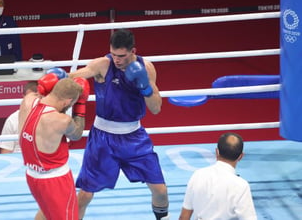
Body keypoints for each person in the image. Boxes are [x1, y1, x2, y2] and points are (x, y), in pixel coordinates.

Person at [69, 29, 170, 220]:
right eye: (113, 54)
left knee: (160, 190)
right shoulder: (103, 64)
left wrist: (145, 88)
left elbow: (156, 108)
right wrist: (57, 79)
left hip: (134, 136)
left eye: (121, 56)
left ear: (133, 51)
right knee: (84, 195)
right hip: (102, 138)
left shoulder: (146, 68)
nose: (116, 59)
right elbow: (75, 76)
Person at [19, 75, 90, 220]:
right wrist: (80, 104)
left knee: (46, 212)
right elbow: (76, 134)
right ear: (68, 101)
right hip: (56, 180)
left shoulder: (28, 101)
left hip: (32, 176)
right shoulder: (62, 120)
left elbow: (40, 95)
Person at [179, 132, 257, 220]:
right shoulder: (241, 185)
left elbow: (184, 216)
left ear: (217, 152)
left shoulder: (198, 175)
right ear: (241, 156)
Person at [0, 81, 38, 154]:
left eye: (36, 97)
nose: (33, 101)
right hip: (18, 161)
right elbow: (5, 152)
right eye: (29, 97)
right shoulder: (12, 119)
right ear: (23, 96)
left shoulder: (49, 117)